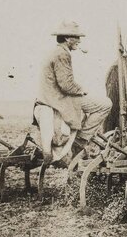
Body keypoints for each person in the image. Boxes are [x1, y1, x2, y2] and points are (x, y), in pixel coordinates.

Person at [36, 21, 111, 161]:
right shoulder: (62, 54)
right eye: (76, 37)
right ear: (67, 38)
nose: (79, 41)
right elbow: (66, 85)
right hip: (59, 99)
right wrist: (81, 90)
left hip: (51, 96)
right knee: (105, 104)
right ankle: (80, 141)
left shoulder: (56, 52)